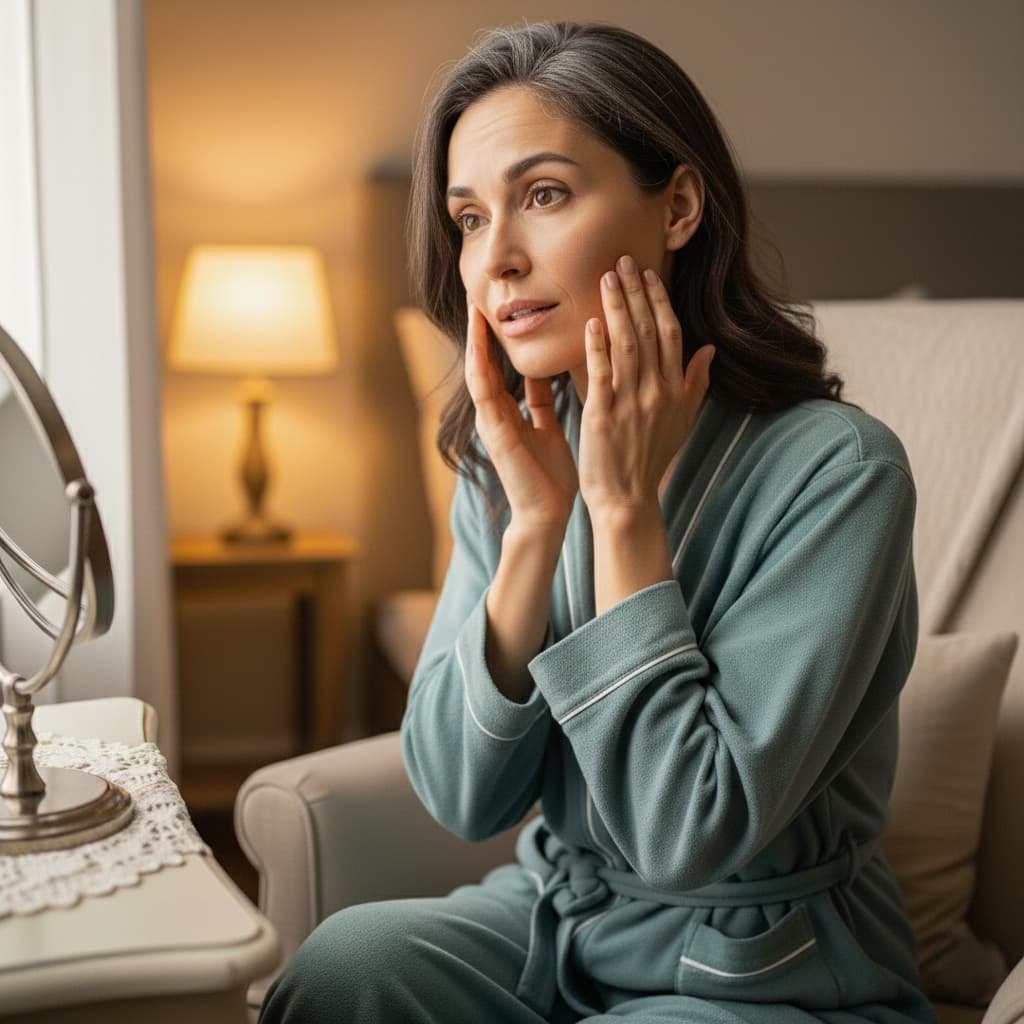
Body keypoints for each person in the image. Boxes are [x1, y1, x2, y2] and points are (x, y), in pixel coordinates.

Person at [261, 21, 936, 1024]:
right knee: (343, 965)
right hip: (558, 918)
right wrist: (534, 524)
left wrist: (620, 512)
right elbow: (460, 795)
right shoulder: (512, 458)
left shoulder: (838, 471)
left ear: (678, 207)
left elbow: (688, 831)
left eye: (543, 195)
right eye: (467, 218)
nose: (495, 259)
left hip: (765, 970)